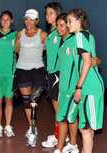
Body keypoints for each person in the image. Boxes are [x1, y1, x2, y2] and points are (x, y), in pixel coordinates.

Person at [66, 9, 104, 153]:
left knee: (85, 129)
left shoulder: (80, 36)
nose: (68, 24)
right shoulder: (89, 36)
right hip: (92, 85)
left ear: (79, 21)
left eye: (70, 21)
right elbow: (91, 60)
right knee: (88, 128)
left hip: (90, 87)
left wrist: (78, 87)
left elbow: (87, 62)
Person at [15, 9, 47, 145]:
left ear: (37, 21)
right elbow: (16, 50)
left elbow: (52, 49)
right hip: (22, 69)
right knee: (26, 101)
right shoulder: (19, 34)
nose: (29, 21)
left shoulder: (43, 34)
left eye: (32, 19)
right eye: (27, 18)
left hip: (37, 70)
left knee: (34, 101)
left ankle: (33, 131)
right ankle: (32, 128)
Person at [54, 13, 79, 153]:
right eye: (57, 25)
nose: (59, 28)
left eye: (62, 25)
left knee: (68, 117)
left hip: (72, 88)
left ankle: (71, 145)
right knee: (63, 117)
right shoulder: (61, 41)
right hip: (62, 88)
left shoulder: (75, 40)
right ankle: (64, 146)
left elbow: (87, 60)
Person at [0, 10, 17, 138]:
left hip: (10, 73)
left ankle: (7, 125)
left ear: (11, 21)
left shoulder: (16, 34)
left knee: (9, 100)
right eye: (3, 19)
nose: (5, 21)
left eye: (8, 19)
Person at [42, 2, 63, 148]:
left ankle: (60, 137)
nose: (47, 16)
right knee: (57, 108)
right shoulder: (50, 35)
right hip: (50, 74)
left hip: (58, 74)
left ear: (57, 15)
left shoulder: (61, 34)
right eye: (46, 13)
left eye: (50, 13)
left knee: (59, 109)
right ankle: (60, 135)